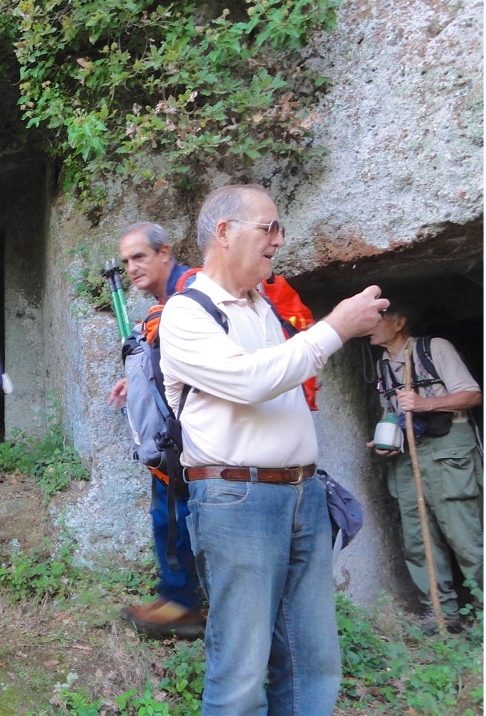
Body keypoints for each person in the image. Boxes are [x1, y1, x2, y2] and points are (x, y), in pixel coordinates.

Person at [158, 184, 389, 715]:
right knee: (241, 671)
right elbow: (250, 381)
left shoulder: (267, 308)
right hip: (237, 500)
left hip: (305, 494)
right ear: (224, 232)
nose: (279, 241)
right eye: (270, 227)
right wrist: (335, 328)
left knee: (314, 660)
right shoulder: (186, 313)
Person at [107, 222, 206, 637]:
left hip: (195, 438)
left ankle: (186, 605)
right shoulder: (164, 304)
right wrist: (137, 379)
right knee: (168, 516)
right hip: (170, 439)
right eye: (126, 260)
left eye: (139, 257)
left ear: (164, 252)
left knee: (180, 517)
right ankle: (178, 598)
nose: (131, 267)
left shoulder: (194, 294)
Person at [367, 300, 483, 634]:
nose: (368, 326)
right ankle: (440, 615)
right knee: (419, 539)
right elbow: (392, 412)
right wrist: (387, 441)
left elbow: (472, 395)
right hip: (409, 453)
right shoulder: (383, 365)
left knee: (465, 537)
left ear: (399, 322)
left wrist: (424, 403)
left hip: (448, 448)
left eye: (377, 319)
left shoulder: (434, 348)